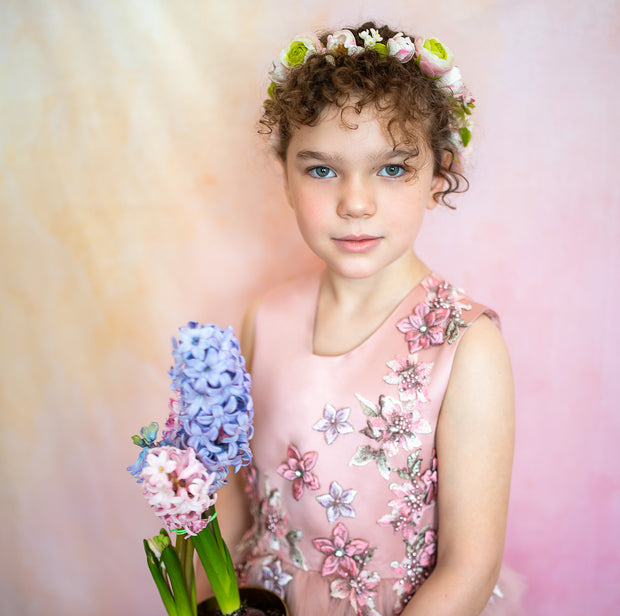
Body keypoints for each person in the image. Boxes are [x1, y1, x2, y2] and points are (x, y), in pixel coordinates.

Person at [230, 21, 522, 616]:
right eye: (321, 169)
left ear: (438, 176)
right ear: (284, 172)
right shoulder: (264, 319)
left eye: (391, 169)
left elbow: (470, 566)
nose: (355, 203)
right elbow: (237, 507)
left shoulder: (467, 345)